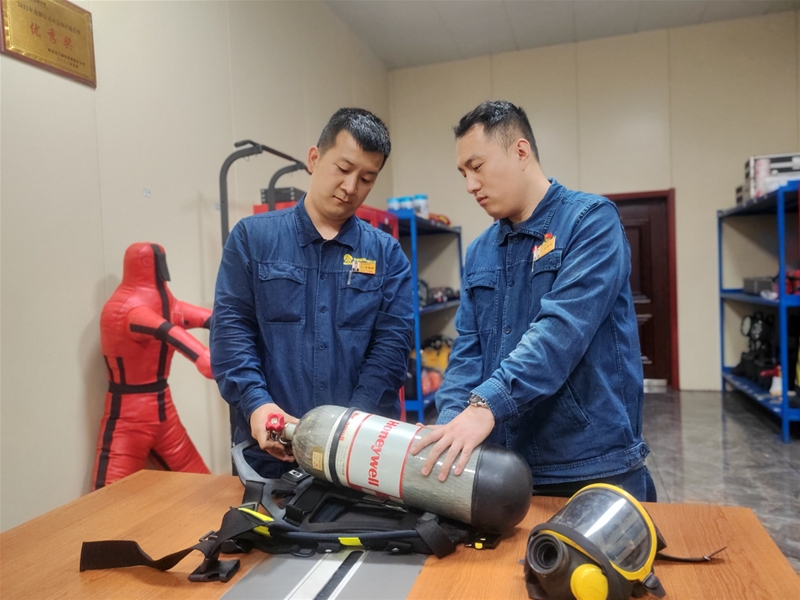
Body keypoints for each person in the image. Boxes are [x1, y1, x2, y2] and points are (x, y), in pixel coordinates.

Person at [410, 101, 655, 502]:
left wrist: (485, 407)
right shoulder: (480, 251)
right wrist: (451, 428)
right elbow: (468, 353)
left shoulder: (590, 222)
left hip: (588, 464)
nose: (469, 184)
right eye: (463, 173)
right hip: (502, 464)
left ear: (520, 152)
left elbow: (560, 335)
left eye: (477, 166)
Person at [211, 108, 414, 478]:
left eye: (366, 178)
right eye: (343, 168)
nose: (351, 187)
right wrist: (257, 405)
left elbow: (391, 349)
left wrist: (348, 428)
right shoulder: (252, 239)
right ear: (314, 158)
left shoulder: (387, 255)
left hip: (360, 457)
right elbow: (231, 333)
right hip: (269, 455)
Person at [93, 242, 211, 489]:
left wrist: (222, 323)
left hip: (162, 409)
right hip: (129, 416)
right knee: (106, 499)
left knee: (202, 485)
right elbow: (163, 328)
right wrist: (202, 355)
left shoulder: (162, 302)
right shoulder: (127, 307)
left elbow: (181, 317)